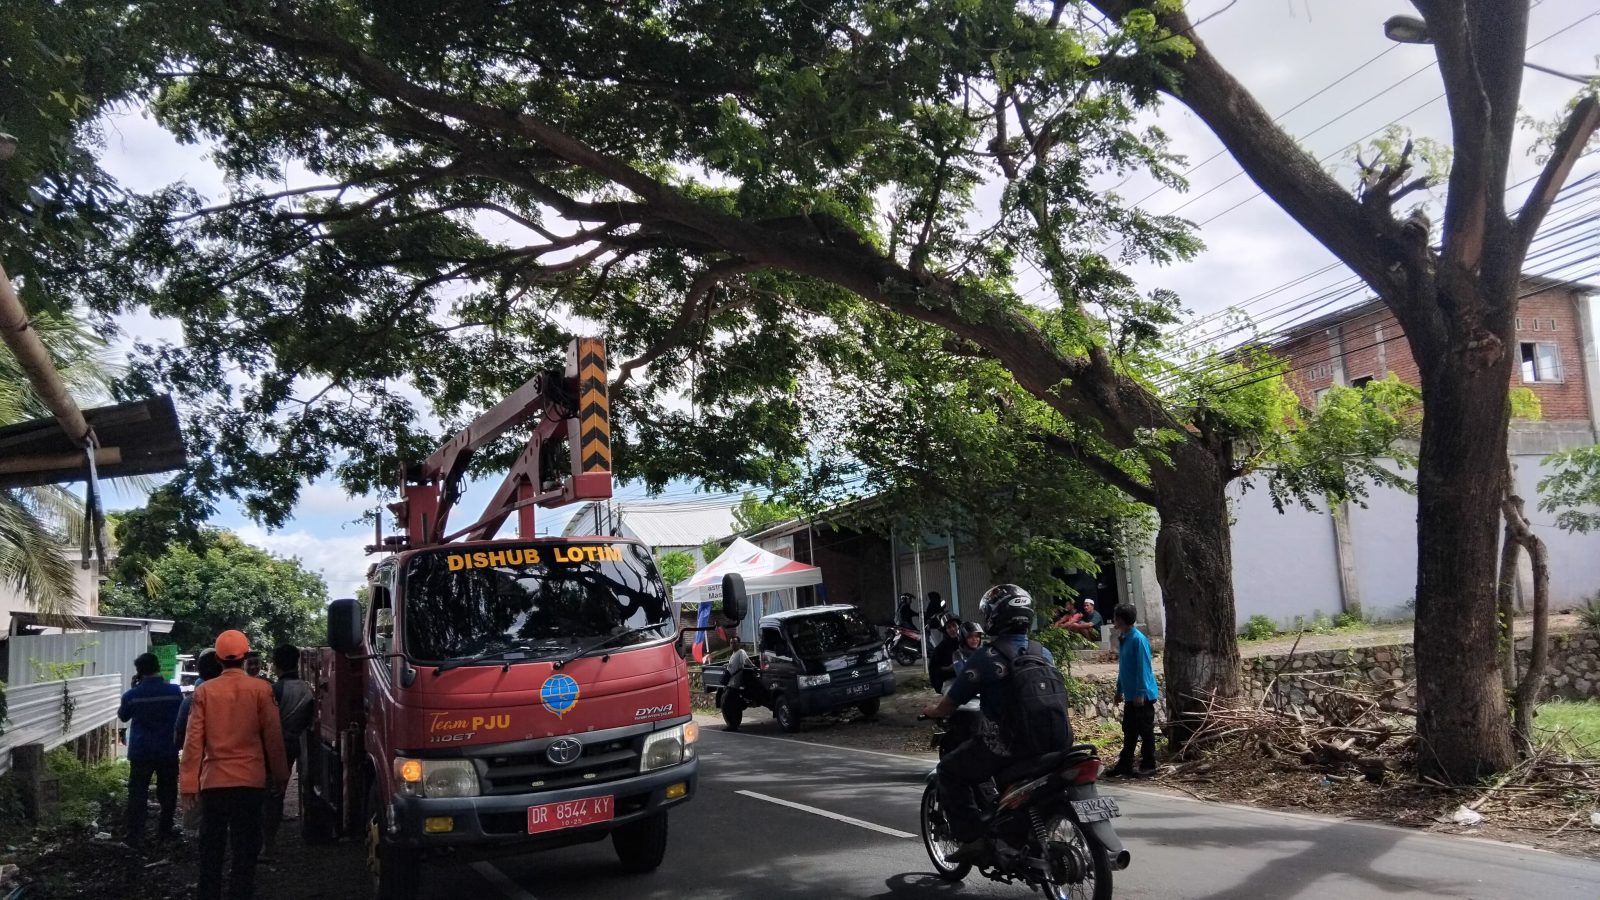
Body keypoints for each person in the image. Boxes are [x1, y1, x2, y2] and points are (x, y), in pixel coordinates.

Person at [922, 584, 1070, 865]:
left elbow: (948, 703)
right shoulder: (1044, 653)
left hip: (1006, 746)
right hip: (1055, 741)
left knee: (949, 771)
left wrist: (932, 710)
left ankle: (973, 839)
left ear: (994, 617)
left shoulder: (987, 657)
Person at [181, 630, 289, 900]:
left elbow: (193, 742)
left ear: (218, 658)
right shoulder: (261, 690)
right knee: (245, 849)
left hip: (214, 783)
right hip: (250, 783)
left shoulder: (204, 692)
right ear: (244, 656)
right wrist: (280, 775)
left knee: (211, 850)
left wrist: (189, 785)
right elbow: (273, 737)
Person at [118, 652, 183, 849]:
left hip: (141, 752)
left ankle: (136, 835)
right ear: (158, 667)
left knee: (137, 794)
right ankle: (165, 831)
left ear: (139, 672)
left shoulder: (132, 695)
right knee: (168, 792)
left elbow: (123, 717)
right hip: (167, 750)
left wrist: (133, 688)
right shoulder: (174, 691)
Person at [261, 644, 314, 863]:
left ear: (276, 664)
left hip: (273, 746)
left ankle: (267, 845)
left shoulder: (275, 690)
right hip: (294, 745)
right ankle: (269, 840)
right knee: (278, 791)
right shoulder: (308, 689)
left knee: (268, 792)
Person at [1106, 603, 1160, 778]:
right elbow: (1124, 668)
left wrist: (1140, 692)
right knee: (1129, 730)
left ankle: (1149, 765)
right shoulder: (1124, 637)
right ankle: (1124, 764)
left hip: (1141, 696)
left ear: (1121, 619)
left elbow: (1144, 667)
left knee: (1145, 731)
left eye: (1115, 617)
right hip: (1131, 695)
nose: (1114, 620)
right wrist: (1119, 690)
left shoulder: (1138, 639)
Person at [928, 618, 964, 693]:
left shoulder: (966, 642)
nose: (952, 629)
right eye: (949, 627)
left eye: (954, 625)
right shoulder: (941, 648)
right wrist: (948, 668)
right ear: (945, 630)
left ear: (959, 627)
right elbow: (934, 668)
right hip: (950, 681)